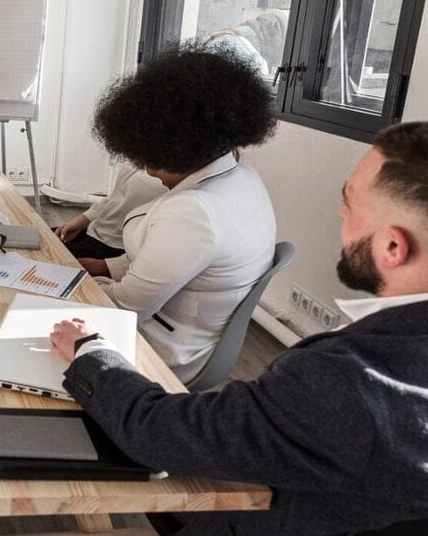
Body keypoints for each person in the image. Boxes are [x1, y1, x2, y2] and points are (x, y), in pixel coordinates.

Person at [50, 121, 428, 534]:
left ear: (394, 246)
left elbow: (158, 432)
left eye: (349, 202)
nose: (341, 213)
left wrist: (91, 352)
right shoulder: (238, 181)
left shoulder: (346, 384)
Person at [79, 45, 277, 382]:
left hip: (157, 351)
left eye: (149, 159)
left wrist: (76, 282)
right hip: (186, 332)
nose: (147, 169)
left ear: (173, 147)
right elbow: (176, 261)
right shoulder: (243, 177)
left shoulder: (193, 214)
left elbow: (123, 310)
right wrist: (104, 267)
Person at [54, 162, 166, 259]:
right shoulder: (138, 160)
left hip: (116, 248)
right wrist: (82, 220)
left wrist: (109, 266)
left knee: (48, 255)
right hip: (94, 231)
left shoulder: (169, 181)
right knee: (46, 239)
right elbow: (114, 198)